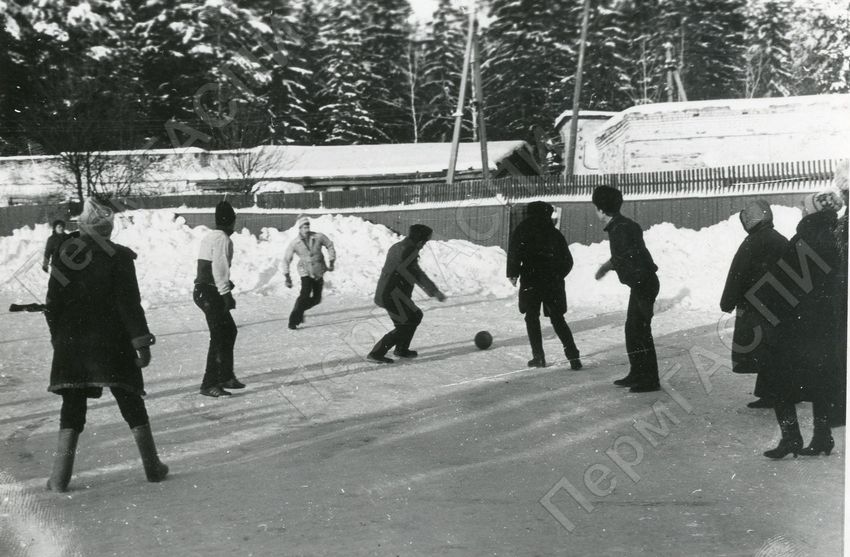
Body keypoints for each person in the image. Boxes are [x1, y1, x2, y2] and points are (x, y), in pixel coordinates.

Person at [44, 197, 167, 492]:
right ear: (108, 229)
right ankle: (152, 466)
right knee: (129, 398)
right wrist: (141, 343)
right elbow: (129, 305)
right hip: (112, 342)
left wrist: (58, 338)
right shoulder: (119, 257)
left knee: (72, 404)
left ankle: (59, 477)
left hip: (72, 341)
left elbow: (52, 304)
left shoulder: (64, 254)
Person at [762, 189, 843, 459]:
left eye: (805, 207)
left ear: (812, 212)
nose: (801, 211)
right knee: (820, 382)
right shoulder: (834, 237)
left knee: (779, 380)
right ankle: (822, 436)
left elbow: (784, 282)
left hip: (795, 323)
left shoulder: (805, 239)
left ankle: (791, 438)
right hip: (824, 324)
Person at [719, 200, 789, 409]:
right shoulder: (781, 240)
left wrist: (727, 302)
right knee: (775, 351)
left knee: (763, 350)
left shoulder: (751, 242)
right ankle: (773, 392)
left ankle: (771, 395)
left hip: (755, 307)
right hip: (780, 305)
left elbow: (737, 274)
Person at [592, 185, 661, 393]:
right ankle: (637, 372)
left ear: (601, 209)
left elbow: (626, 255)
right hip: (642, 283)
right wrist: (608, 266)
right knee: (632, 329)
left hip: (643, 284)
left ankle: (649, 379)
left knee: (640, 331)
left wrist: (607, 267)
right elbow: (624, 254)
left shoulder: (619, 229)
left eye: (596, 207)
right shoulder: (623, 225)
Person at [506, 201, 582, 369]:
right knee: (557, 318)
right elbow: (568, 261)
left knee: (531, 317)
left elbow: (514, 252)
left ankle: (538, 357)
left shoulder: (522, 229)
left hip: (531, 280)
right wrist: (557, 275)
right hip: (552, 283)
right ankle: (573, 356)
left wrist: (513, 273)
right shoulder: (554, 233)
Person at [368, 224, 446, 363]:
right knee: (404, 325)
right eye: (425, 242)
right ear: (420, 241)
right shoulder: (407, 251)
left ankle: (401, 349)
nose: (424, 245)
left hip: (393, 294)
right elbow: (417, 274)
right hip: (390, 295)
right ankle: (376, 353)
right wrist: (434, 291)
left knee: (415, 315)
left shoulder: (401, 247)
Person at [193, 201, 244, 397]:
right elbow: (219, 268)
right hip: (209, 292)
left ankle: (225, 376)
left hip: (205, 290)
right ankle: (209, 383)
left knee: (229, 330)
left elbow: (210, 267)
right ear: (231, 221)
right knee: (220, 335)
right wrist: (226, 294)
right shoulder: (222, 238)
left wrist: (223, 286)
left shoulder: (211, 236)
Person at [283, 215, 336, 330]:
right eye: (304, 227)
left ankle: (299, 309)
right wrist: (287, 276)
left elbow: (329, 245)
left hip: (318, 270)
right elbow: (287, 259)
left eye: (308, 227)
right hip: (305, 271)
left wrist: (331, 260)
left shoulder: (318, 237)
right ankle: (293, 321)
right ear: (300, 229)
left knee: (317, 299)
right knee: (304, 295)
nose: (306, 230)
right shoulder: (295, 243)